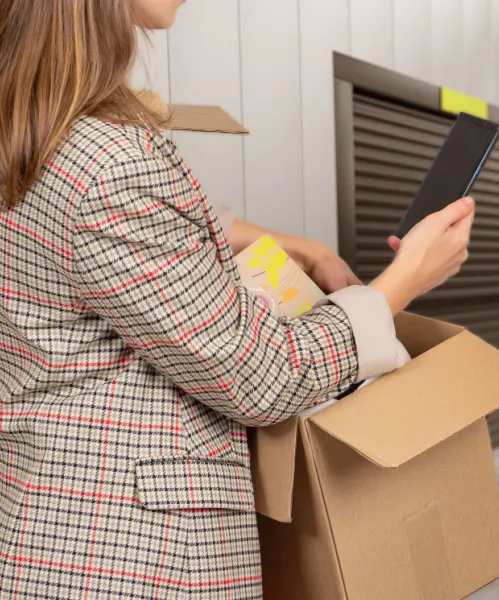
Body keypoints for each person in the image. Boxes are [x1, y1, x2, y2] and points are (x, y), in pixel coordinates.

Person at [0, 0, 474, 597]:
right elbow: (262, 376)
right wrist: (404, 282)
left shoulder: (34, 141)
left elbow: (127, 236)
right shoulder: (112, 163)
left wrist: (297, 247)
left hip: (52, 524)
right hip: (136, 559)